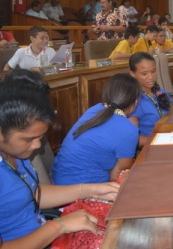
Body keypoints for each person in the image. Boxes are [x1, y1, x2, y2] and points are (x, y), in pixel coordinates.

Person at [0, 82, 119, 246]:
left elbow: (30, 194)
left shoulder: (13, 152)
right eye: (29, 139)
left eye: (40, 137)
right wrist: (60, 226)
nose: (37, 146)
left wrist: (90, 190)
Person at [52, 74, 140, 185]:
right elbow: (117, 176)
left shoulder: (95, 109)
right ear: (136, 101)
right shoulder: (129, 130)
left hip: (58, 182)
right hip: (81, 192)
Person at [128, 52, 171, 148]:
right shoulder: (132, 101)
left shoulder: (160, 91)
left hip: (168, 139)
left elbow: (171, 114)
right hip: (150, 147)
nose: (151, 77)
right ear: (132, 74)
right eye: (144, 74)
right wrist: (160, 140)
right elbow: (131, 138)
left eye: (153, 71)